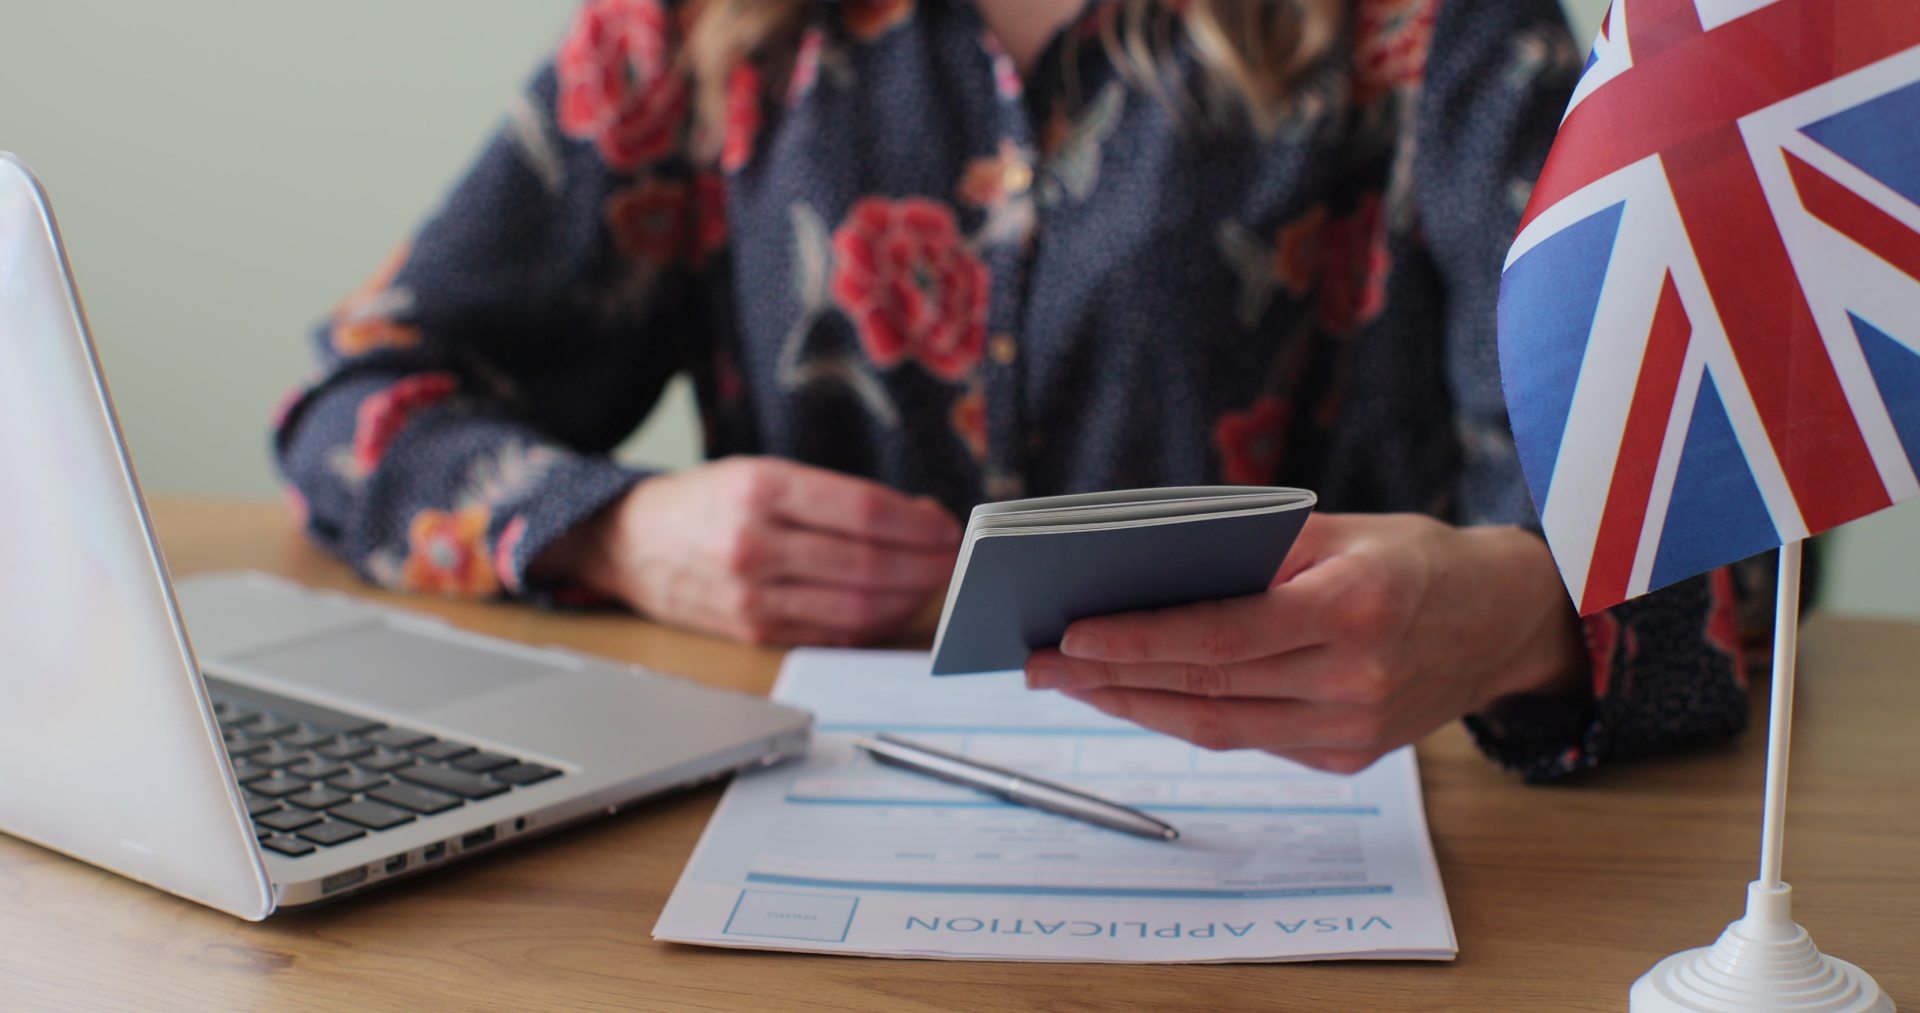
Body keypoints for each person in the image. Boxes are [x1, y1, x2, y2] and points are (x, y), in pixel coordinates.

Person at [273, 0, 1755, 783]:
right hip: (802, 858)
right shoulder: (696, 31)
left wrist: (1503, 615)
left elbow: (1735, 554)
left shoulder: (1441, 31)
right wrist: (620, 526)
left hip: (1359, 876)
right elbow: (353, 410)